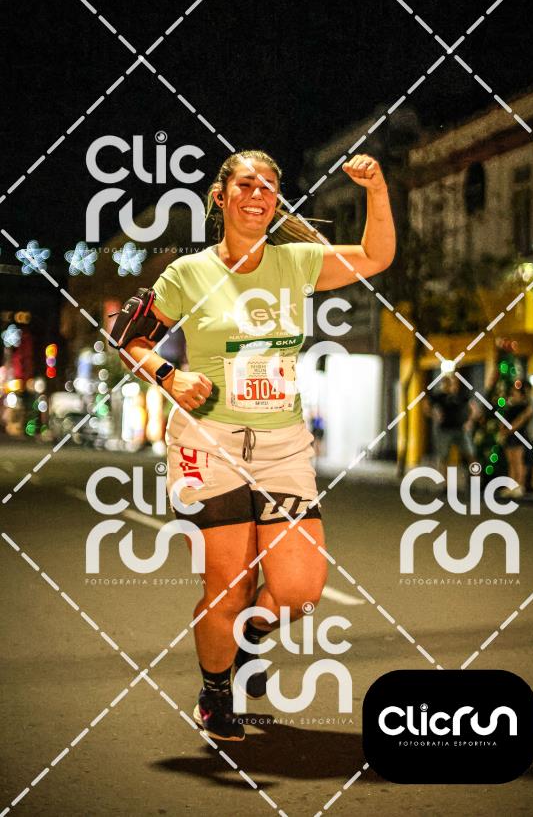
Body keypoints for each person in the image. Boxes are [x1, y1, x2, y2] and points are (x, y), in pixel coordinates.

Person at [119, 149, 395, 741]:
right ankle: (216, 692)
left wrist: (376, 188)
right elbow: (130, 337)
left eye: (268, 186)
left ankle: (246, 637)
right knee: (228, 586)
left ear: (276, 200)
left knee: (299, 591)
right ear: (220, 197)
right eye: (245, 185)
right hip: (207, 442)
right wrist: (169, 377)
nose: (257, 195)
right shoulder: (188, 274)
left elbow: (377, 256)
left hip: (282, 446)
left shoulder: (297, 262)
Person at [426, 372, 475, 477]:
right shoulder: (440, 396)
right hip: (445, 430)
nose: (450, 385)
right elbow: (425, 405)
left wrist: (469, 421)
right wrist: (434, 414)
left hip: (461, 430)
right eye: (447, 383)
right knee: (444, 458)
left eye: (452, 382)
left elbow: (473, 408)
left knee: (470, 454)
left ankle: (477, 479)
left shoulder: (462, 395)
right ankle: (447, 483)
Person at [498, 381, 533, 498]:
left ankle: (519, 486)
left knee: (518, 461)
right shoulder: (510, 405)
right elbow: (504, 419)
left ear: (521, 394)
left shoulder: (526, 406)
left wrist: (508, 430)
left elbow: (520, 420)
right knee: (511, 462)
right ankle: (511, 486)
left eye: (516, 392)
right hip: (509, 436)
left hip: (519, 436)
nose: (513, 393)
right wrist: (503, 430)